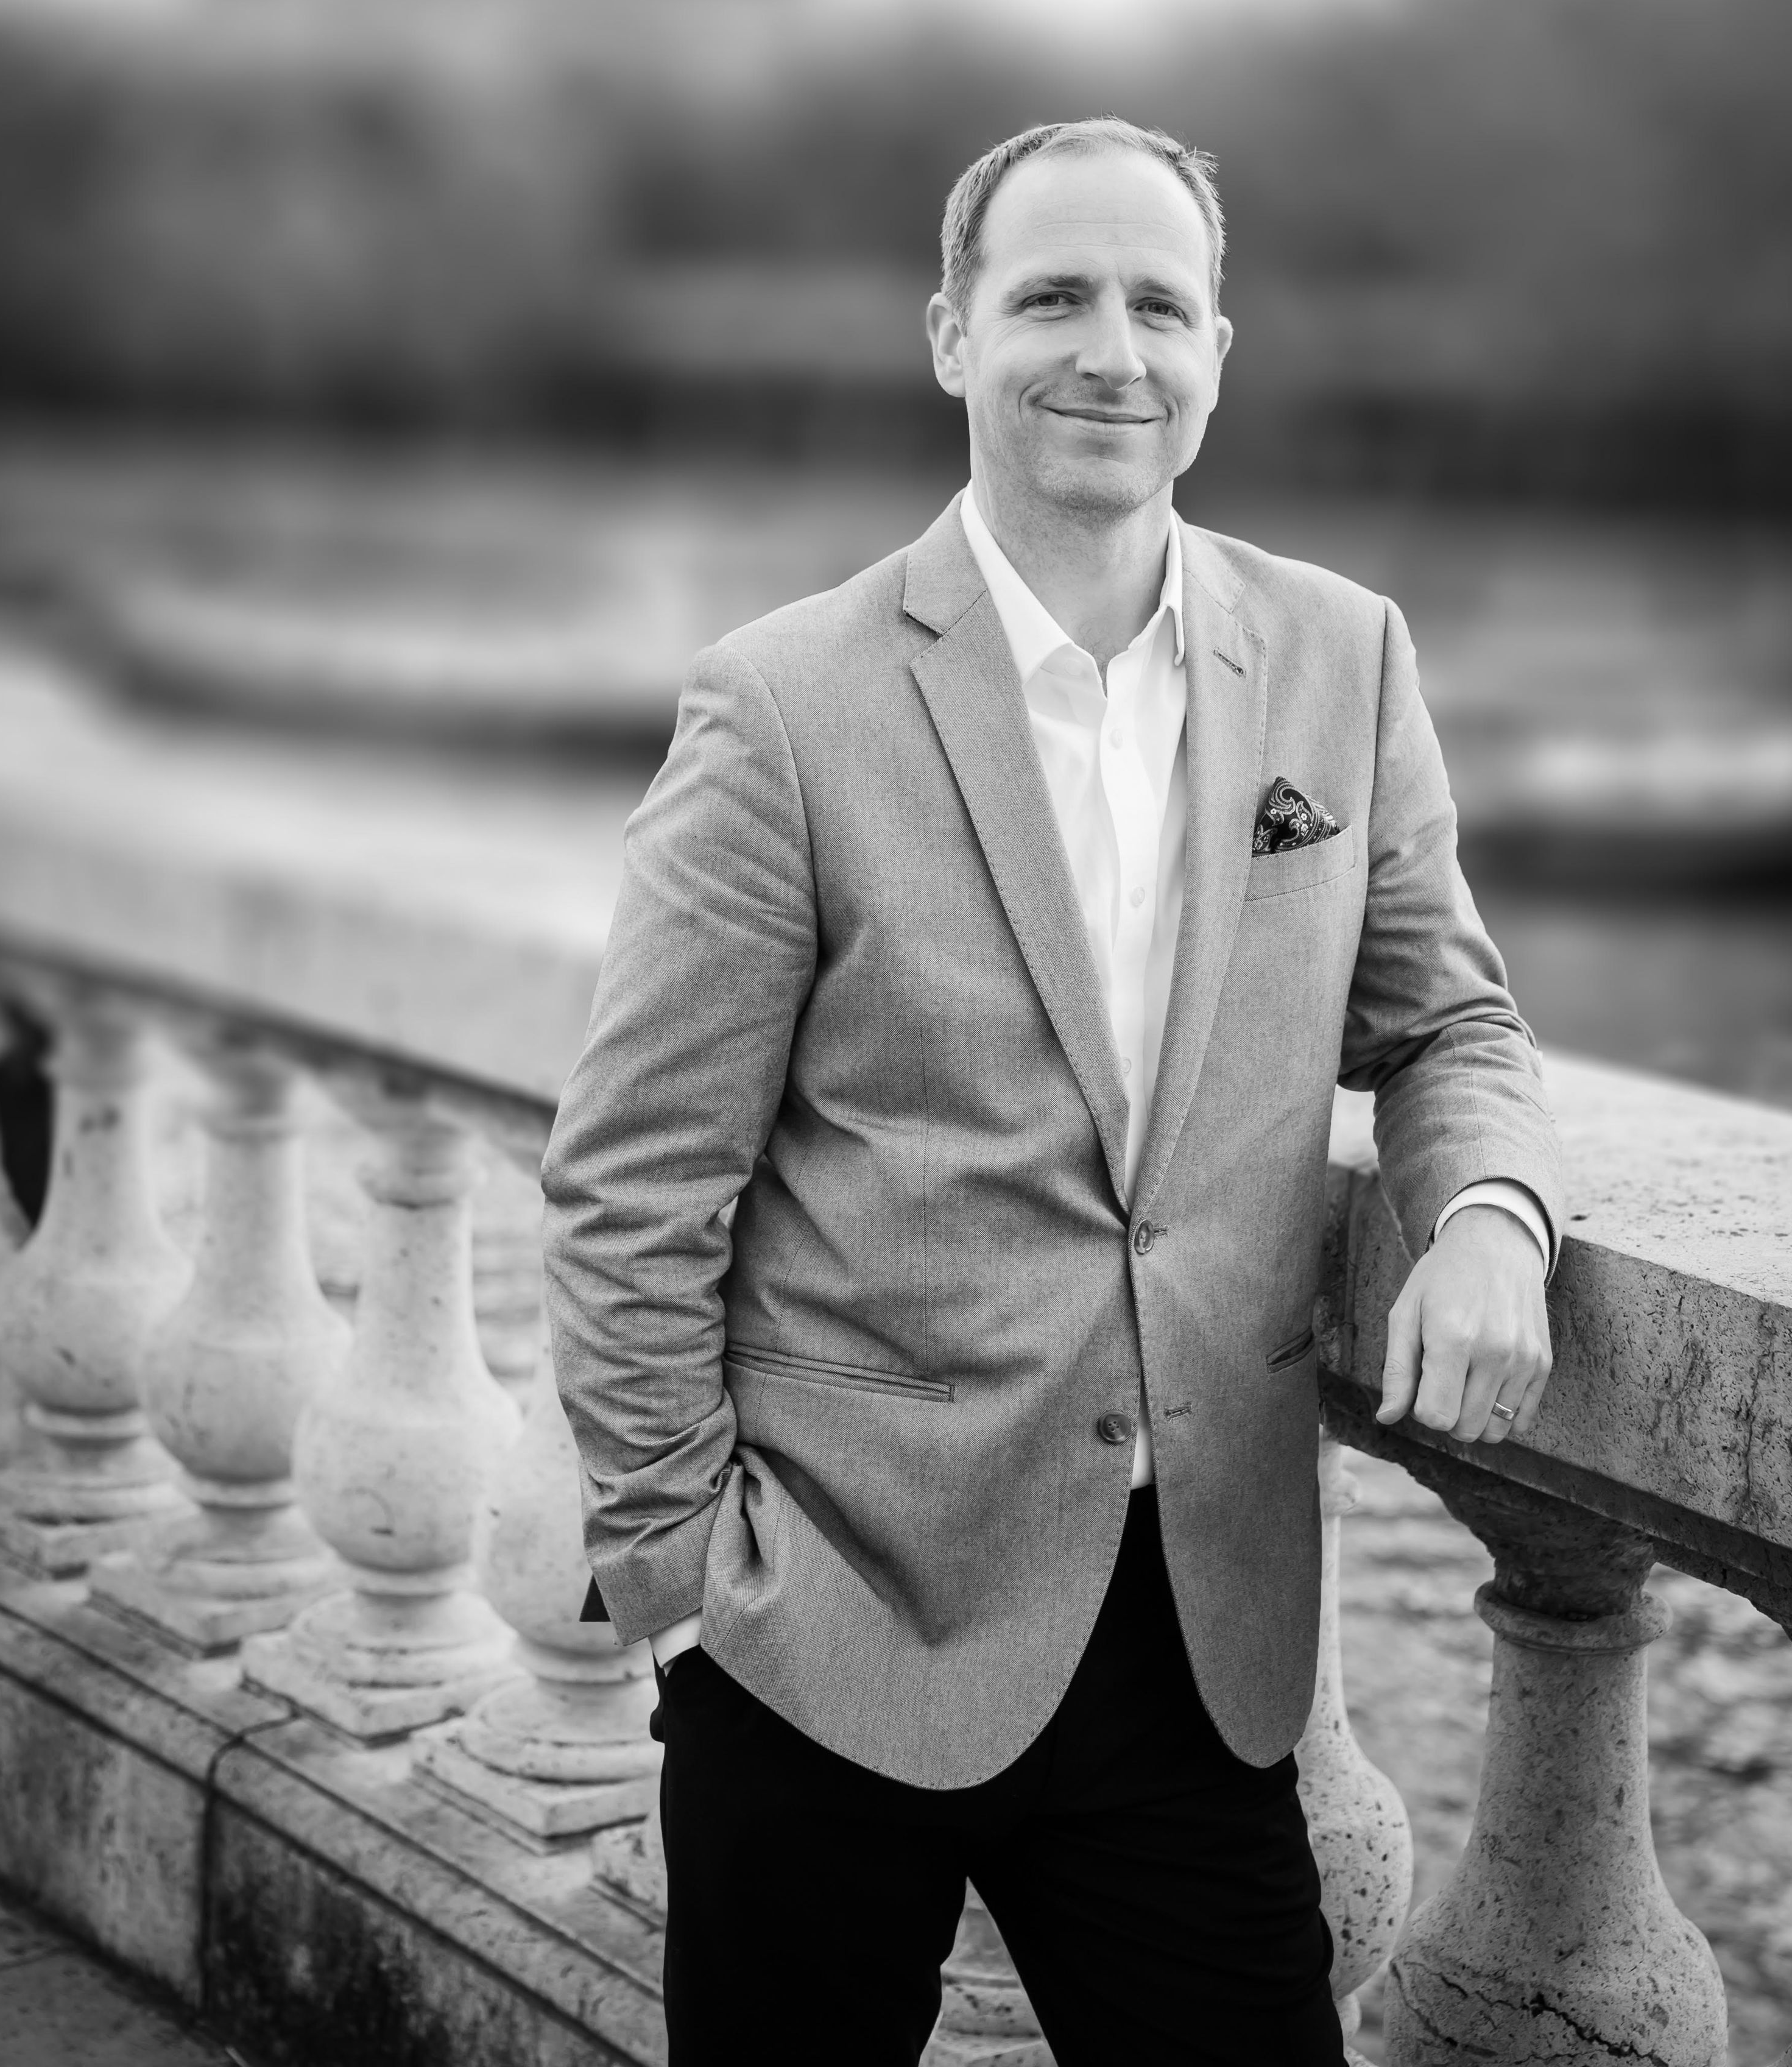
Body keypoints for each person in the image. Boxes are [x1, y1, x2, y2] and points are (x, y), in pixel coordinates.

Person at [541, 116, 1561, 2066]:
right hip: (826, 1621)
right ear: (953, 335)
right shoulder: (784, 703)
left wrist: (1494, 1219)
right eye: (1054, 298)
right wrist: (683, 1594)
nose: (1113, 351)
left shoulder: (1343, 659)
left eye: (1160, 306)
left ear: (1218, 355)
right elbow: (633, 1180)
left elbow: (1449, 1025)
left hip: (1195, 1643)